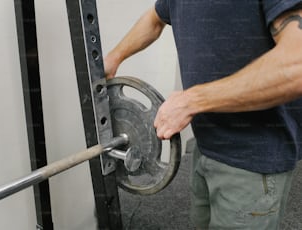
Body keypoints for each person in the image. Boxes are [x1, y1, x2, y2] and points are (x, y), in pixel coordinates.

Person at [104, 1, 302, 229]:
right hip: (206, 143)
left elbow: (296, 66)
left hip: (253, 160)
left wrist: (192, 101)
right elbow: (155, 18)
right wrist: (114, 57)